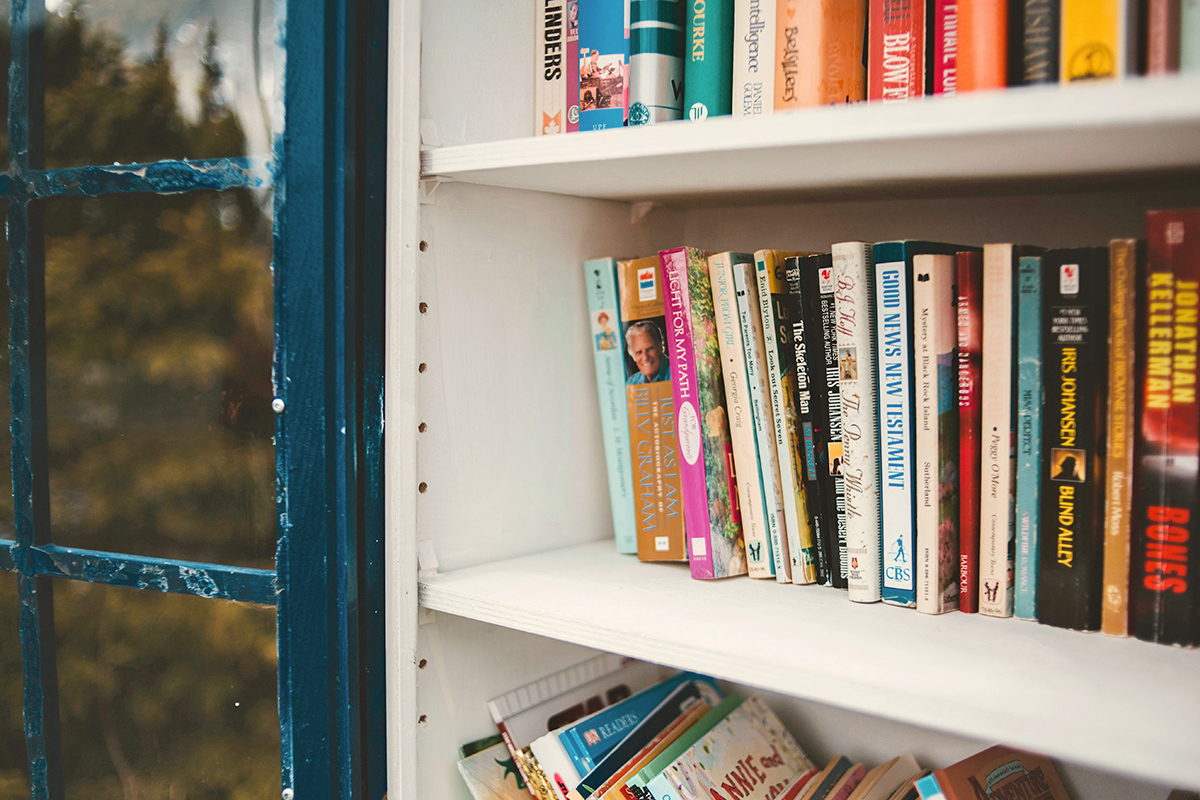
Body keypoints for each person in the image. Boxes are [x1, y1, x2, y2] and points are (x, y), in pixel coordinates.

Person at [625, 320, 670, 385]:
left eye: (649, 349)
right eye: (639, 352)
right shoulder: (632, 383)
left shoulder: (680, 373)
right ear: (632, 355)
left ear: (660, 346)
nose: (645, 357)